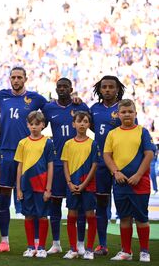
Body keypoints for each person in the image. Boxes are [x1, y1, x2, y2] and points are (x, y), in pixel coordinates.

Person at [0, 67, 48, 253]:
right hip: (6, 152)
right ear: (10, 79)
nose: (16, 80)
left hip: (29, 154)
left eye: (19, 77)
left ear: (25, 78)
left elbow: (51, 110)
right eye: (13, 77)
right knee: (4, 197)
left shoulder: (35, 98)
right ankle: (4, 241)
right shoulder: (1, 96)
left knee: (33, 197)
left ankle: (37, 243)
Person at [42, 78, 90, 254]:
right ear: (56, 89)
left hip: (78, 164)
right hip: (57, 162)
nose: (62, 89)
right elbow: (38, 122)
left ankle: (80, 243)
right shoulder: (48, 108)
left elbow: (91, 123)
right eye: (59, 87)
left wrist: (81, 101)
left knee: (79, 205)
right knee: (55, 202)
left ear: (71, 89)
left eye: (65, 87)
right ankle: (56, 243)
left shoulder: (80, 106)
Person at [103, 99, 155, 262]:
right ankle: (126, 251)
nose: (126, 115)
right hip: (120, 183)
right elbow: (107, 155)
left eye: (130, 112)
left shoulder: (143, 132)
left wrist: (139, 175)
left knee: (141, 218)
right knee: (124, 217)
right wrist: (116, 172)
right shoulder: (112, 134)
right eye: (123, 112)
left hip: (140, 183)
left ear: (135, 113)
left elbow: (149, 154)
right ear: (118, 115)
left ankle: (144, 251)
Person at [90, 75, 126, 256]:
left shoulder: (123, 108)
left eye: (111, 87)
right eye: (104, 87)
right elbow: (89, 127)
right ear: (100, 89)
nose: (107, 90)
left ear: (117, 89)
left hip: (121, 163)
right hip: (101, 164)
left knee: (122, 204)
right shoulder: (94, 109)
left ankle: (125, 247)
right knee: (101, 203)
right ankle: (102, 245)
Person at [15, 111, 54, 258]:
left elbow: (50, 166)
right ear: (27, 125)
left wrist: (48, 188)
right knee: (29, 216)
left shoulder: (48, 142)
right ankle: (31, 246)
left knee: (43, 216)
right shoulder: (22, 143)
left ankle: (42, 247)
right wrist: (18, 188)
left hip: (42, 186)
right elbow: (19, 166)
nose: (34, 127)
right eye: (31, 124)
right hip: (26, 187)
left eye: (37, 124)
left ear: (43, 125)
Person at [61, 111, 98, 260]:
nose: (82, 124)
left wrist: (84, 184)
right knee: (71, 215)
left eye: (85, 121)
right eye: (79, 121)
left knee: (90, 215)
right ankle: (73, 249)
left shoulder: (93, 144)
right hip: (72, 185)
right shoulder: (68, 144)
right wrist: (69, 182)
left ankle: (89, 249)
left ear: (89, 125)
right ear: (73, 124)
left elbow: (94, 166)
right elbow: (65, 164)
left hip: (87, 185)